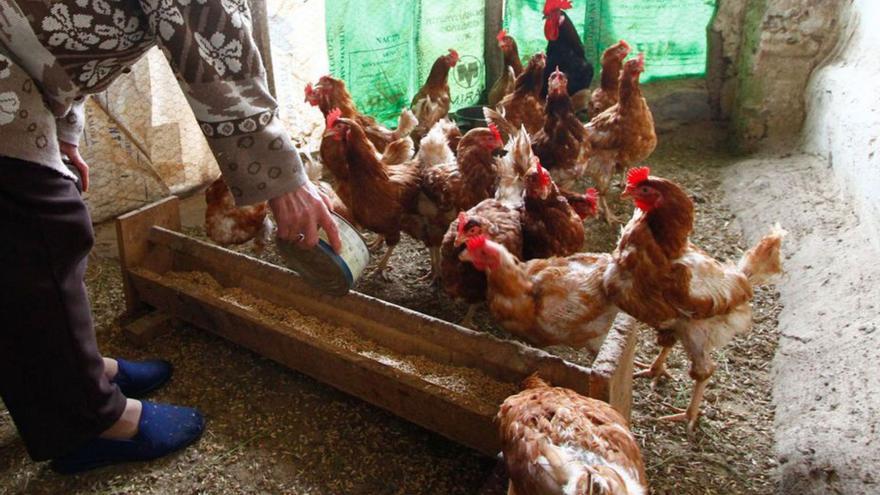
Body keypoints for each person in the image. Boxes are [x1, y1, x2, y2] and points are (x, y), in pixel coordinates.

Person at [0, 0, 341, 473]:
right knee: (40, 230)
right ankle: (90, 423)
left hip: (19, 65)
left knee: (34, 227)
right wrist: (283, 178)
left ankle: (77, 373)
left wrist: (63, 130)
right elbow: (208, 30)